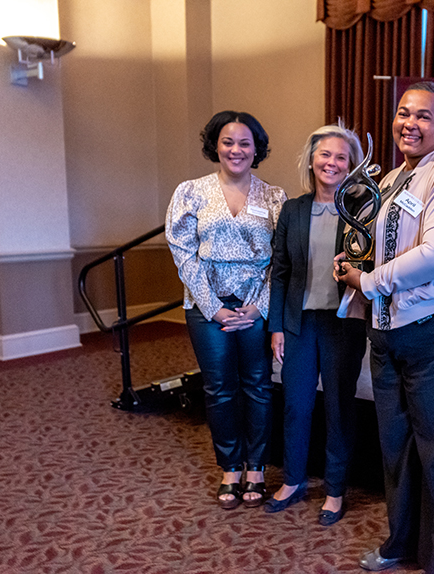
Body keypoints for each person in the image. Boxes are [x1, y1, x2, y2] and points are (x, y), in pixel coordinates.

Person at [335, 82, 434, 574]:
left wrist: (370, 279)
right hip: (388, 335)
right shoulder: (395, 178)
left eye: (424, 116)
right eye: (404, 113)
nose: (411, 123)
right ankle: (402, 542)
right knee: (397, 449)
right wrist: (354, 263)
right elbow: (387, 245)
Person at [166, 110, 287, 510]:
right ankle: (230, 467)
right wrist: (213, 307)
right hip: (206, 307)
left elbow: (281, 260)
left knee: (258, 387)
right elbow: (183, 254)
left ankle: (257, 468)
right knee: (219, 390)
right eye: (228, 142)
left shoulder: (274, 197)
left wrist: (259, 307)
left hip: (256, 306)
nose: (236, 149)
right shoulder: (190, 192)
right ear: (215, 145)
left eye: (245, 143)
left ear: (257, 148)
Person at [265, 123, 367, 526]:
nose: (332, 163)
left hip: (343, 324)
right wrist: (275, 325)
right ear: (312, 160)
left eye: (341, 157)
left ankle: (335, 489)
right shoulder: (292, 209)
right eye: (325, 155)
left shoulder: (362, 212)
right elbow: (281, 271)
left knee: (340, 408)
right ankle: (293, 480)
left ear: (351, 166)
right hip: (298, 323)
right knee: (296, 405)